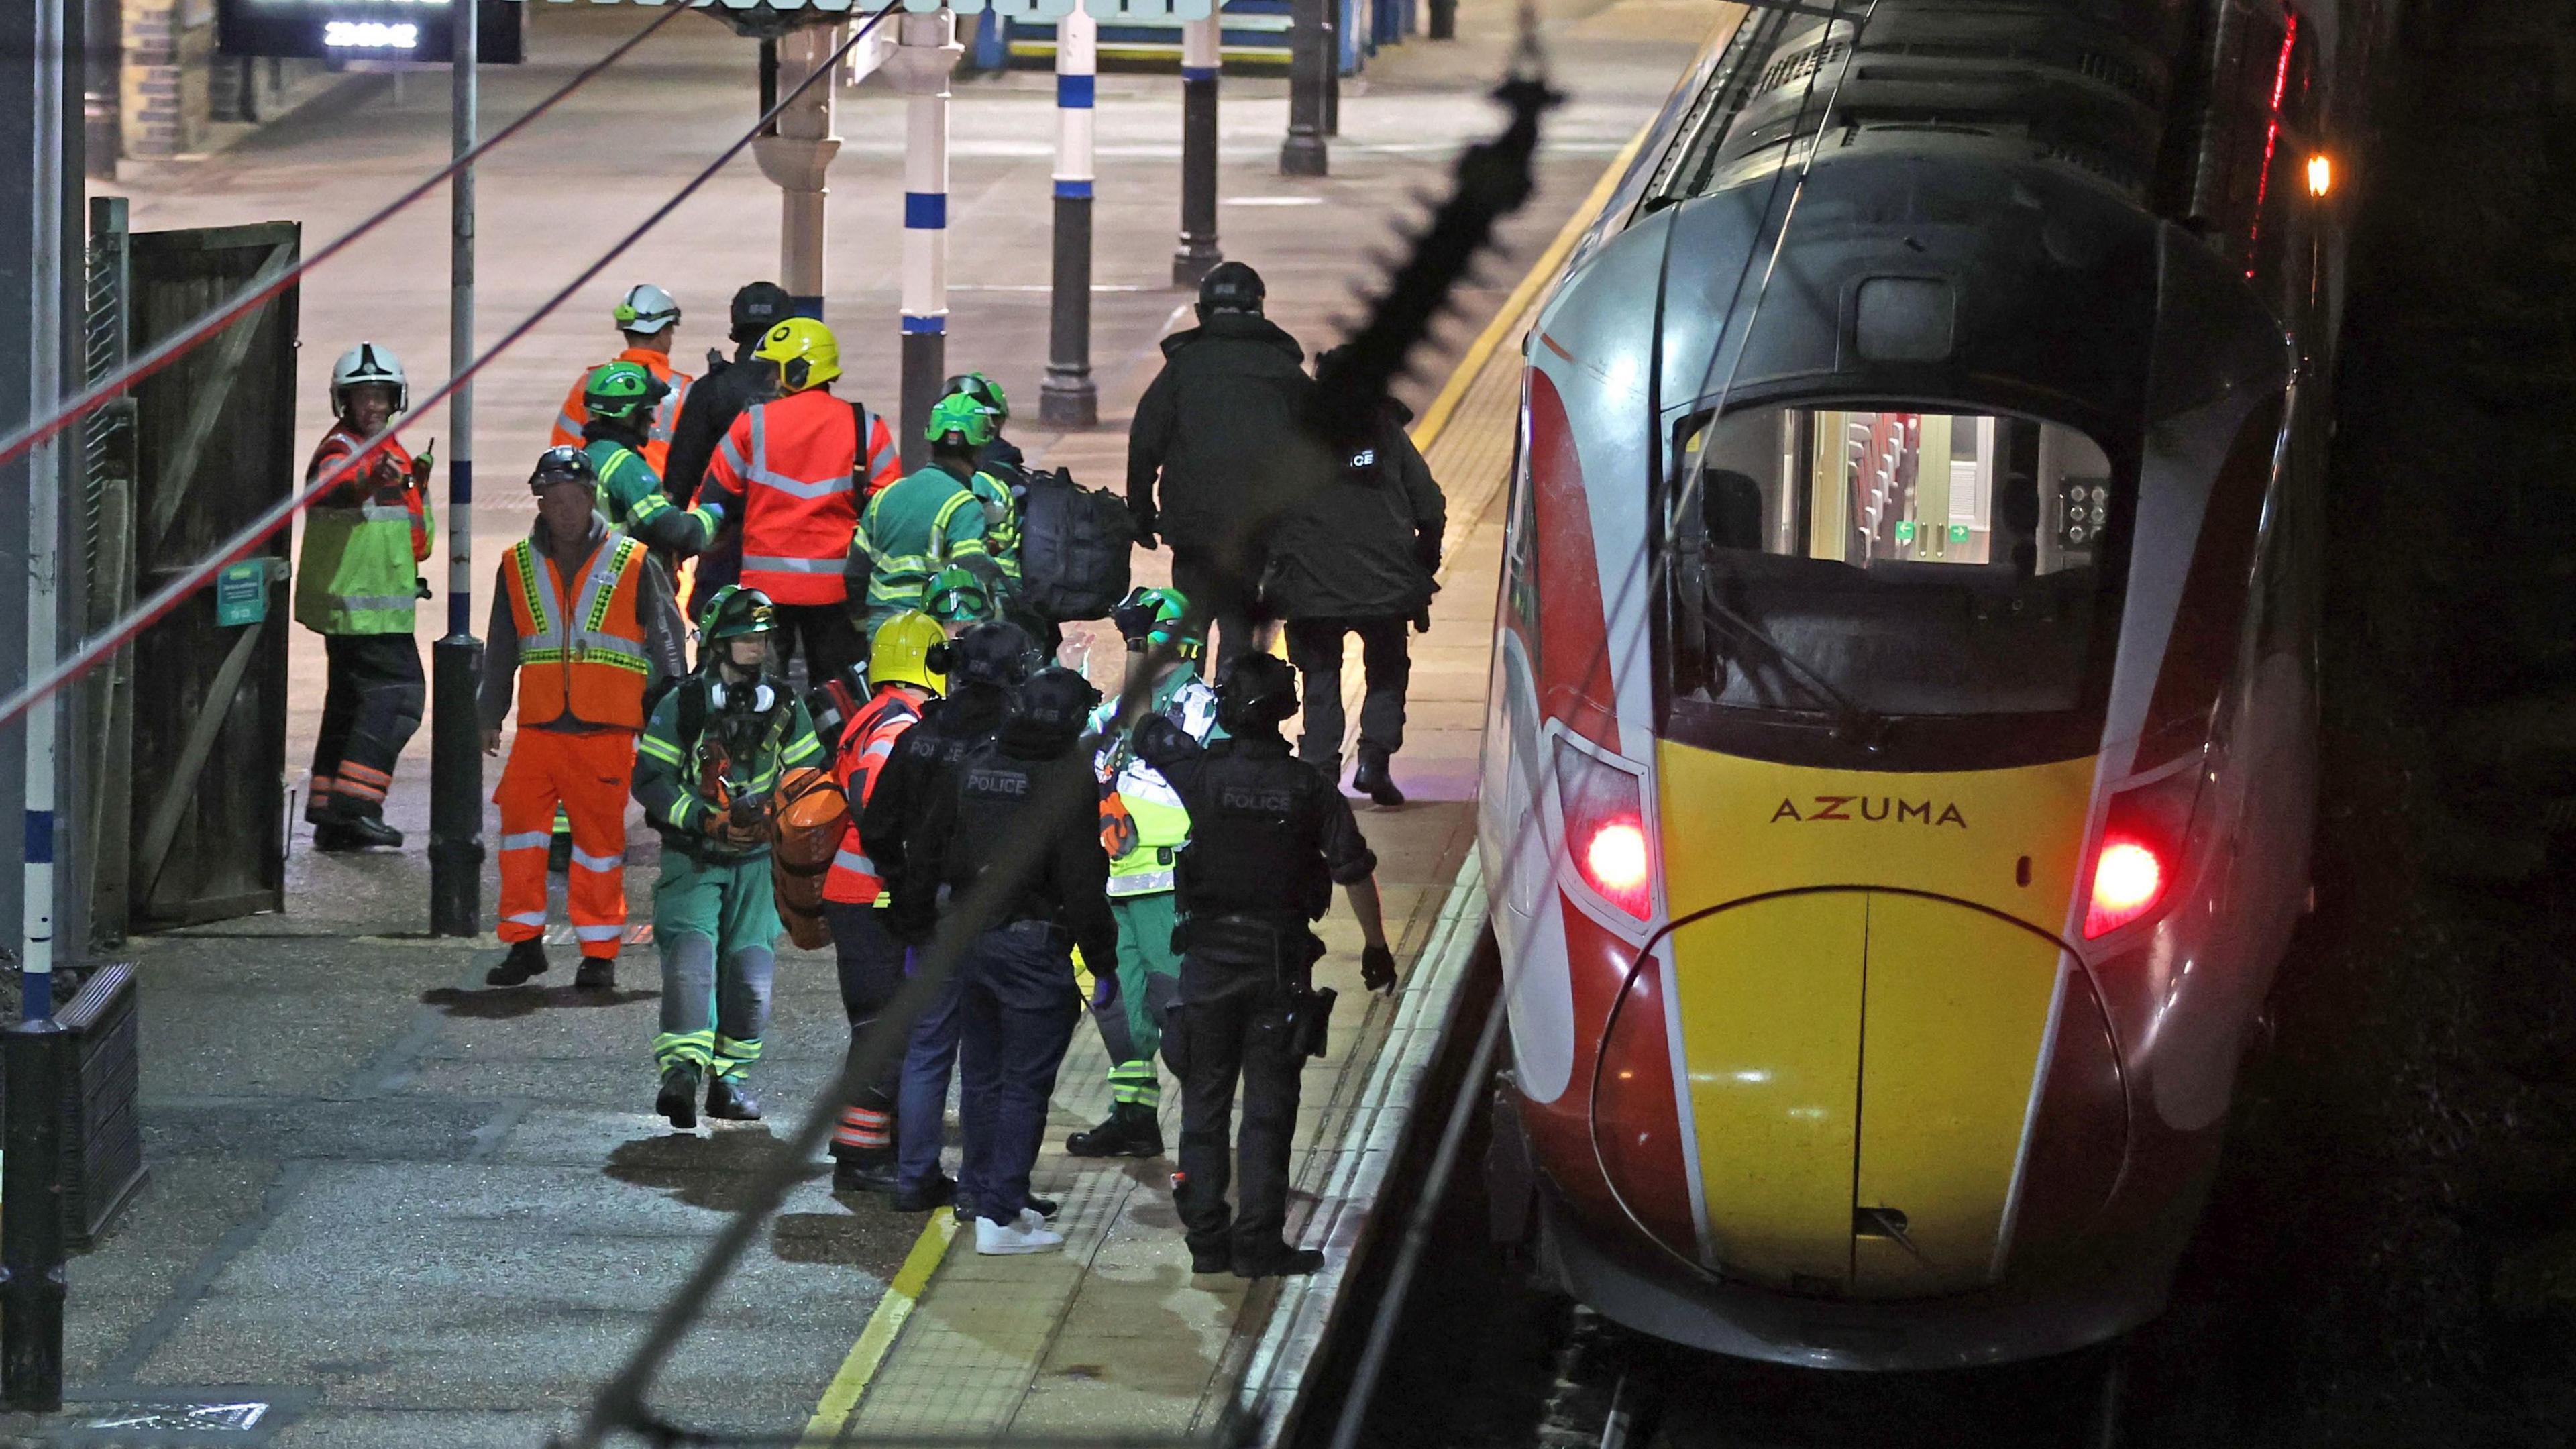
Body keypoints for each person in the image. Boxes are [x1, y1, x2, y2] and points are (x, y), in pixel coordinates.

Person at [1128, 653, 1398, 1277]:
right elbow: (1353, 868)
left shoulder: (1199, 771)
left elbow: (1141, 722)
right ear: (1287, 712)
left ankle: (1206, 1242)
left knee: (1204, 1102)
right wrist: (1375, 947)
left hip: (1206, 962)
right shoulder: (1309, 787)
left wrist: (1143, 645)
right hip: (1278, 966)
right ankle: (1258, 1246)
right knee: (1269, 1112)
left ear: (1225, 710)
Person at [888, 665, 1116, 1255]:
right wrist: (1102, 959)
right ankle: (999, 1213)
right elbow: (1082, 879)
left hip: (965, 941)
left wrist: (918, 927)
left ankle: (981, 1193)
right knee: (1024, 1085)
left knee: (983, 1076)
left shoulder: (977, 764)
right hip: (1030, 947)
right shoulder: (1066, 777)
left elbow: (927, 848)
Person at [478, 449, 687, 990]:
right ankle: (524, 945)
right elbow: (502, 645)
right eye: (553, 501)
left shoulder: (634, 561)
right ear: (540, 503)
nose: (565, 512)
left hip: (606, 729)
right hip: (539, 728)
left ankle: (599, 954)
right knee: (520, 838)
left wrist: (673, 719)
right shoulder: (517, 563)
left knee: (598, 846)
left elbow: (667, 643)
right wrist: (489, 714)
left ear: (591, 497)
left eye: (573, 500)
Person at [857, 621, 1039, 1215]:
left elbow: (878, 824)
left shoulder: (922, 735)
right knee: (988, 1057)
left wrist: (907, 885)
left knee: (929, 1047)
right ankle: (980, 1189)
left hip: (929, 915)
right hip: (996, 918)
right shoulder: (1016, 739)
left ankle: (915, 1178)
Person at [632, 586, 826, 1128]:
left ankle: (730, 1083)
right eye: (744, 637)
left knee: (750, 973)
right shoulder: (685, 704)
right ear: (717, 644)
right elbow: (651, 779)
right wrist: (706, 819)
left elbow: (810, 780)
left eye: (761, 637)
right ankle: (682, 1075)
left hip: (758, 865)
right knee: (692, 962)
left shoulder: (786, 707)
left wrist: (779, 821)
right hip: (693, 859)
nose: (755, 647)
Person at [1065, 588, 1218, 1159]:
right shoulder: (1124, 703)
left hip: (1166, 884)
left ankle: (1204, 1128)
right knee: (1116, 1007)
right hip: (1115, 882)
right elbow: (1085, 744)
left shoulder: (1205, 707)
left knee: (1175, 1010)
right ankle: (1133, 1116)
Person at [1266, 346, 1447, 806]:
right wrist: (1423, 561)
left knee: (1321, 676)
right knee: (1387, 669)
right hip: (1383, 583)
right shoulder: (1385, 430)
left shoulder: (1293, 436)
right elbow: (1429, 504)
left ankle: (1321, 772)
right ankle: (1374, 761)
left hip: (1312, 585)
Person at [1126, 262, 1324, 672]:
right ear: (1259, 309)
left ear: (1203, 311)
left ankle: (1185, 713)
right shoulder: (1284, 370)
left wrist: (1141, 512)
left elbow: (1145, 440)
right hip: (1257, 526)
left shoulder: (1182, 367)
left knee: (1189, 623)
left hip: (1192, 524)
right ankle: (1229, 714)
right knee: (1239, 621)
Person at [696, 317, 902, 687]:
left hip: (765, 592)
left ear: (798, 371)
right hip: (837, 594)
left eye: (776, 371)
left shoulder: (752, 424)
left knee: (761, 693)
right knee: (840, 696)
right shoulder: (867, 427)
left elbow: (713, 499)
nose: (771, 382)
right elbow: (889, 512)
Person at [819, 610, 947, 1193]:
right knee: (885, 1029)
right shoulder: (900, 723)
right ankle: (860, 1157)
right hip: (870, 896)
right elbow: (872, 797)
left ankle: (871, 1147)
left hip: (855, 893)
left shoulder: (875, 710)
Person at [296, 341, 433, 851]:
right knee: (397, 699)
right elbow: (332, 486)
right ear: (343, 402)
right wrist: (368, 481)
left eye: (380, 396)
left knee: (351, 705)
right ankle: (357, 806)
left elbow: (407, 533)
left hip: (369, 605)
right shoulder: (344, 451)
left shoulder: (389, 450)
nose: (372, 406)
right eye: (362, 398)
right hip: (362, 608)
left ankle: (332, 812)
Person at [665, 282, 796, 617]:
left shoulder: (711, 390)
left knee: (720, 627)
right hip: (791, 543)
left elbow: (681, 474)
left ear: (736, 329)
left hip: (724, 540)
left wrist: (673, 548)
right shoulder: (800, 394)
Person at [847, 393, 1006, 637]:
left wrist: (860, 620)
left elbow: (856, 570)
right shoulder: (963, 503)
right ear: (979, 448)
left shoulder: (885, 497)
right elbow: (971, 566)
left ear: (932, 440)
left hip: (882, 628)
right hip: (932, 629)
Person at [578, 366, 727, 566]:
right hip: (626, 580)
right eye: (647, 410)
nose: (652, 419)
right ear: (628, 415)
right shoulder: (624, 466)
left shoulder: (591, 456)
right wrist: (715, 513)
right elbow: (675, 532)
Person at [551, 283, 694, 476]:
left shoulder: (590, 383)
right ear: (663, 332)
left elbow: (563, 451)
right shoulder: (685, 390)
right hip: (665, 502)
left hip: (603, 500)